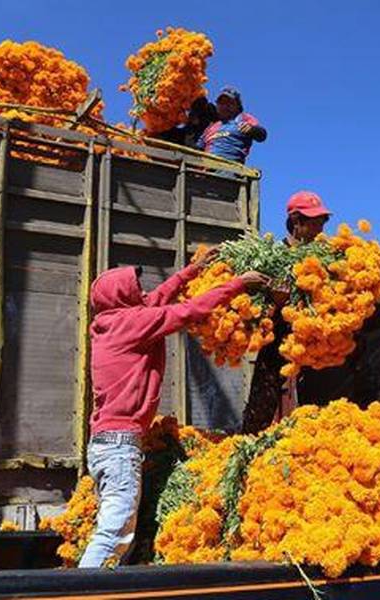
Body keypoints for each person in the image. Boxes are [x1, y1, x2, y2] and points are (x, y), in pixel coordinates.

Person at [80, 252, 268, 569]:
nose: (142, 294)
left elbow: (156, 300)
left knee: (116, 529)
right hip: (120, 447)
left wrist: (191, 272)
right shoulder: (131, 323)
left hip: (103, 444)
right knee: (113, 534)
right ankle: (77, 592)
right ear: (121, 297)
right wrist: (237, 285)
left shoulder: (112, 323)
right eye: (135, 290)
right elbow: (188, 311)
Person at [240, 192, 332, 434]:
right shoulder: (273, 258)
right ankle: (248, 449)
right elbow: (254, 316)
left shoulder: (326, 258)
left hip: (316, 344)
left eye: (322, 222)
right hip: (278, 343)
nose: (318, 228)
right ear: (295, 221)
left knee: (320, 407)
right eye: (313, 222)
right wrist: (276, 302)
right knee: (261, 407)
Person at [197, 87, 267, 164]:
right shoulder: (211, 127)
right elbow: (198, 147)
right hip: (206, 168)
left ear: (237, 106)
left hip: (230, 167)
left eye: (230, 103)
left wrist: (252, 130)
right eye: (221, 103)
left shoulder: (243, 118)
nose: (225, 106)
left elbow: (262, 135)